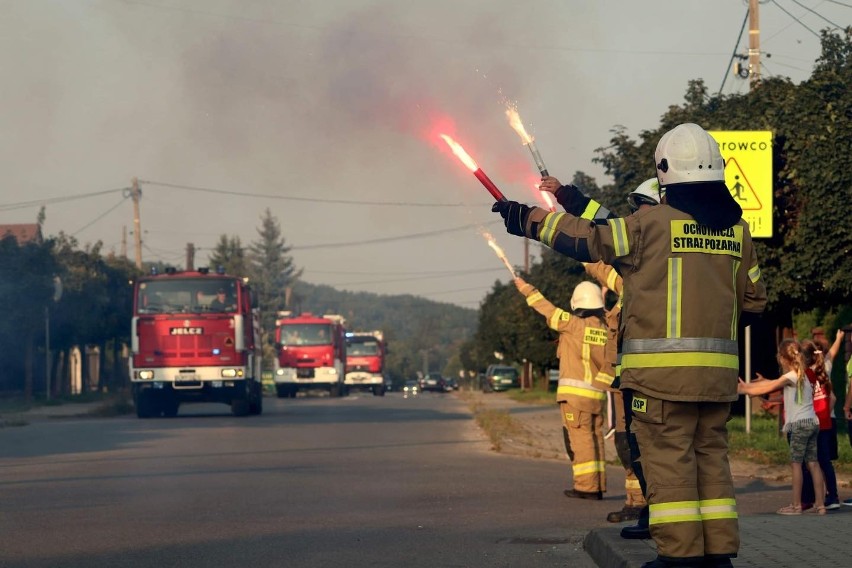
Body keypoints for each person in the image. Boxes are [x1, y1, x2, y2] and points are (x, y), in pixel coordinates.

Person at [493, 122, 767, 567]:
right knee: (712, 464)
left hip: (661, 384)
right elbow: (755, 301)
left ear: (665, 173)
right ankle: (719, 556)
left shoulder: (650, 224)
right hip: (717, 381)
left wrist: (528, 219)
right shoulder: (738, 231)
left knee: (671, 468)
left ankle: (681, 559)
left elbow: (589, 238)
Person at [539, 176, 662, 526]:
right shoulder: (630, 274)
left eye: (640, 207)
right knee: (629, 444)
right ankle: (640, 504)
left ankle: (641, 505)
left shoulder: (644, 264)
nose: (635, 214)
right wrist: (564, 205)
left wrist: (563, 202)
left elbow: (602, 223)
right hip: (627, 376)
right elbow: (598, 258)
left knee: (633, 442)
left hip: (636, 374)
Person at [513, 276, 612, 499]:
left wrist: (527, 289)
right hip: (596, 396)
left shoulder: (573, 325)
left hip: (575, 397)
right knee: (595, 439)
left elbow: (548, 309)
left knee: (580, 439)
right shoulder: (604, 330)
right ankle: (597, 485)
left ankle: (586, 487)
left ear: (576, 303)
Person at [737, 339, 826, 516]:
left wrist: (744, 389)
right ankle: (820, 505)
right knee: (813, 464)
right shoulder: (803, 375)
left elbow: (771, 386)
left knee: (796, 465)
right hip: (812, 423)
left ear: (782, 359)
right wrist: (749, 386)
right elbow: (775, 384)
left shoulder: (791, 376)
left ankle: (796, 506)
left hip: (799, 426)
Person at [799, 339, 840, 510]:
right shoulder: (824, 369)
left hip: (816, 424)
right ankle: (829, 497)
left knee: (812, 462)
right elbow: (833, 398)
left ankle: (814, 499)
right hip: (824, 423)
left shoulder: (808, 374)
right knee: (823, 462)